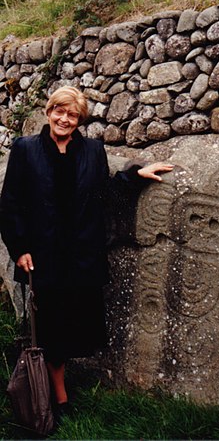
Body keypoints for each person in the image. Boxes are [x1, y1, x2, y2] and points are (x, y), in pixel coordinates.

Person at [0, 86, 173, 419]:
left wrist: (136, 175)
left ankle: (55, 383)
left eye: (72, 115)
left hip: (81, 257)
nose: (64, 119)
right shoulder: (25, 149)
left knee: (74, 327)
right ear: (49, 112)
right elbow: (10, 205)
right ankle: (59, 399)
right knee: (51, 328)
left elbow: (103, 194)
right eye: (59, 112)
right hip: (43, 257)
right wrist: (19, 248)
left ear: (79, 120)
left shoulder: (93, 150)